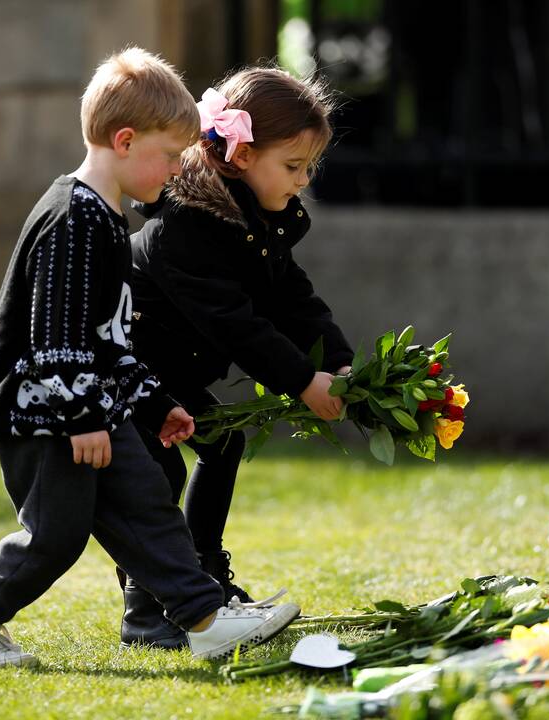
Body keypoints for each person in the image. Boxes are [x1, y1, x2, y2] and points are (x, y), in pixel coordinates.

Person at [0, 49, 299, 666]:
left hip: (87, 407)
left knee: (148, 504)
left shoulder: (106, 218)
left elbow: (109, 341)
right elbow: (57, 337)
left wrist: (154, 403)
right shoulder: (73, 216)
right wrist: (83, 419)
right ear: (125, 140)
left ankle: (204, 619)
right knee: (55, 536)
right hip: (46, 416)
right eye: (171, 157)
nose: (178, 172)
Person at [123, 67, 353, 649]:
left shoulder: (260, 221)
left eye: (310, 169)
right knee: (158, 474)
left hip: (176, 371)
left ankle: (205, 584)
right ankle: (148, 611)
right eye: (294, 166)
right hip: (129, 370)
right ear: (243, 154)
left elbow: (293, 299)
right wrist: (302, 381)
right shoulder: (187, 223)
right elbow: (233, 321)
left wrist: (341, 364)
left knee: (222, 444)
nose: (303, 182)